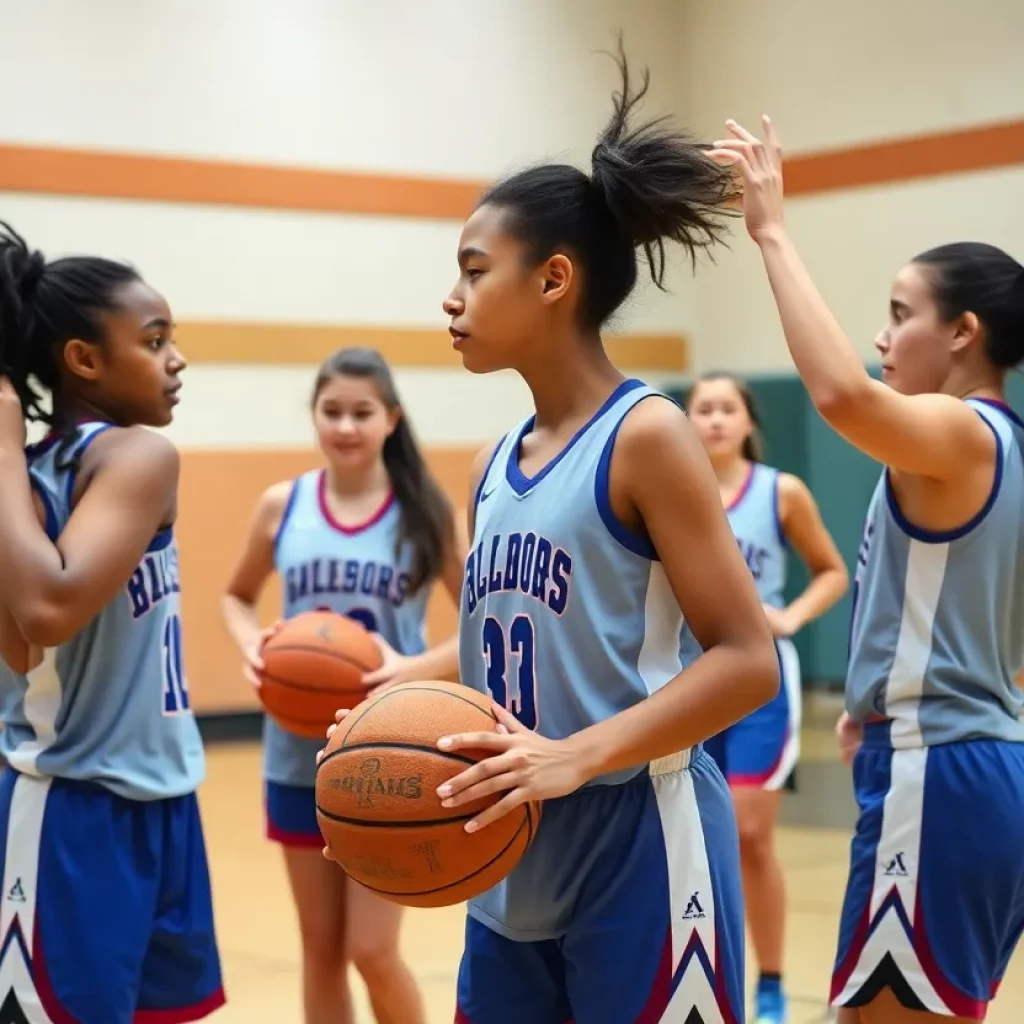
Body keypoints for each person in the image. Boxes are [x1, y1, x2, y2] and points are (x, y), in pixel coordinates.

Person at [325, 44, 780, 1024]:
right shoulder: (497, 461)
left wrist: (577, 753)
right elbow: (520, 635)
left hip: (638, 838)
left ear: (554, 280)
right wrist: (389, 699)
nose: (451, 296)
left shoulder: (646, 434)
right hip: (508, 847)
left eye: (474, 270)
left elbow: (747, 661)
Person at [710, 119, 1024, 1022]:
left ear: (963, 331)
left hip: (941, 775)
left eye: (898, 313)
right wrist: (874, 706)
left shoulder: (963, 433)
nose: (880, 338)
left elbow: (843, 395)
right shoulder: (996, 451)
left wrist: (771, 230)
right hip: (961, 767)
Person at [0, 223, 224, 1023]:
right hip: (69, 807)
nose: (177, 359)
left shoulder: (78, 471)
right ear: (84, 360)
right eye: (154, 340)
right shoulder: (129, 457)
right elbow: (43, 614)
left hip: (163, 792)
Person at [222, 346, 464, 1024]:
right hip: (297, 756)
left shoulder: (424, 510)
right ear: (314, 418)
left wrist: (412, 669)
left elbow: (485, 617)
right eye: (332, 412)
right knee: (320, 949)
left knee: (372, 950)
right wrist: (255, 647)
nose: (346, 426)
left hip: (391, 756)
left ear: (392, 419)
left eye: (362, 412)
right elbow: (236, 597)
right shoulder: (282, 504)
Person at [686, 371, 848, 1023]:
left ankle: (773, 981)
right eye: (704, 409)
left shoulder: (782, 492)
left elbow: (832, 570)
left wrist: (793, 616)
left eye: (729, 408)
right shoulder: (671, 488)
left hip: (757, 681)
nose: (717, 419)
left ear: (749, 422)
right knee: (692, 839)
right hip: (684, 681)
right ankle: (704, 973)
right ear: (688, 422)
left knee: (750, 835)